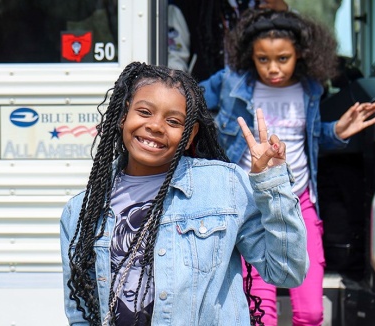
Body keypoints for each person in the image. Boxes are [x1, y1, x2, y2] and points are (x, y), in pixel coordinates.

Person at [60, 61, 308, 326]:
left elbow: (286, 272)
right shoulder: (81, 212)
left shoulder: (225, 187)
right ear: (123, 117)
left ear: (190, 135)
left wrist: (273, 184)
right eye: (144, 112)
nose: (155, 126)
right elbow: (81, 313)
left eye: (173, 121)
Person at [199, 9, 375, 326]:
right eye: (263, 60)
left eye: (283, 59)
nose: (273, 69)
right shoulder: (232, 82)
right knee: (261, 313)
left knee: (311, 313)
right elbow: (188, 99)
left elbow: (308, 140)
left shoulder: (309, 90)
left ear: (301, 55)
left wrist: (336, 131)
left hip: (299, 203)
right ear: (249, 57)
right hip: (250, 207)